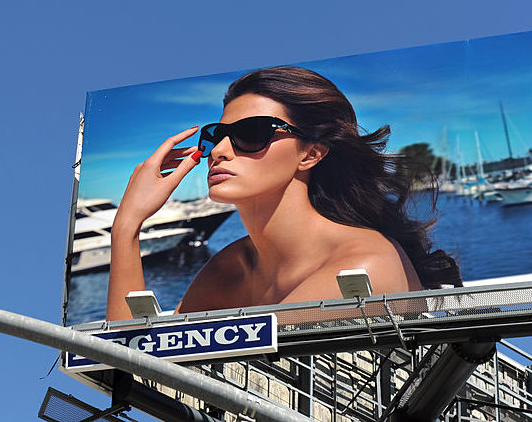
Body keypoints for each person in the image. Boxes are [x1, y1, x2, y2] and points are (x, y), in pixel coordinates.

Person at [106, 66, 461, 321]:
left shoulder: (359, 268)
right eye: (217, 134)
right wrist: (127, 227)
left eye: (251, 132)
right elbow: (130, 369)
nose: (219, 151)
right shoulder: (230, 268)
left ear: (310, 154)